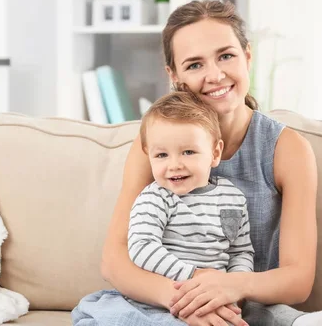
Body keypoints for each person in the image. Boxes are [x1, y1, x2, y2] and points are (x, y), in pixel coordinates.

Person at [98, 0, 322, 326]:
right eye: (194, 65)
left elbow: (298, 278)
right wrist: (185, 299)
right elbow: (115, 260)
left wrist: (226, 287)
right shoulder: (154, 146)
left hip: (243, 301)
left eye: (226, 56)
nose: (215, 75)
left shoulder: (287, 149)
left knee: (273, 314)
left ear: (247, 57)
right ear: (174, 75)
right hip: (165, 295)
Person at [72, 91, 254, 326]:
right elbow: (142, 247)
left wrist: (233, 288)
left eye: (188, 152)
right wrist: (194, 277)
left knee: (272, 314)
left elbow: (241, 252)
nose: (174, 165)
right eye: (161, 155)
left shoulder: (233, 198)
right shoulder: (154, 198)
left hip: (216, 296)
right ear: (149, 157)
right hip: (157, 301)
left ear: (215, 153)